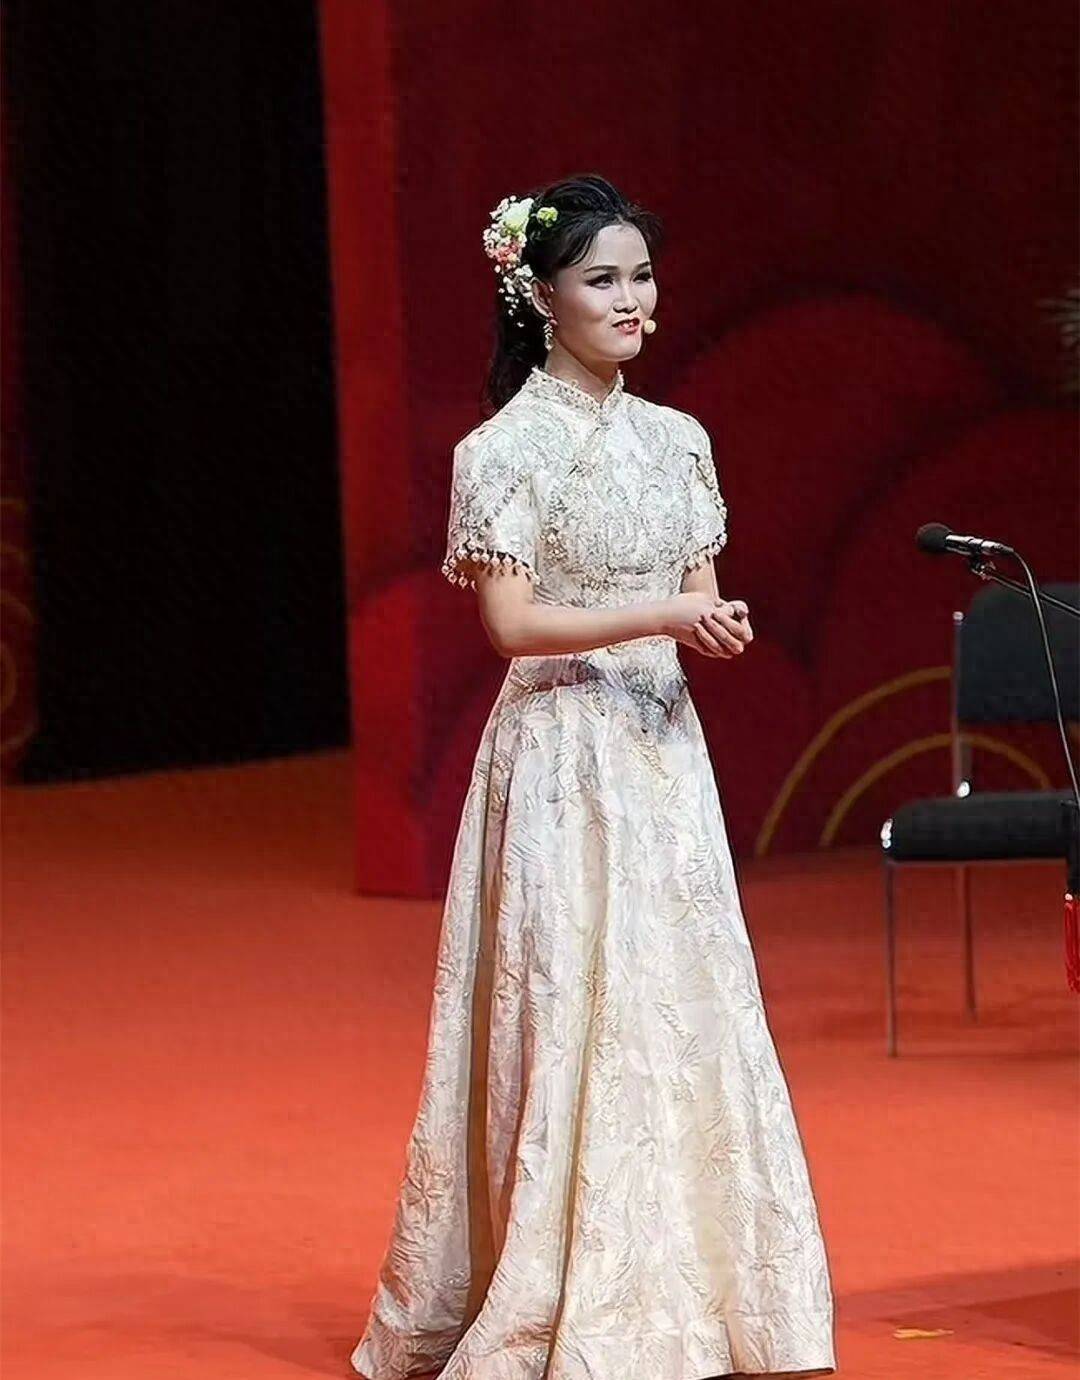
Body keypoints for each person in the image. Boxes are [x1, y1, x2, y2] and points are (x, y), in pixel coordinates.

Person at [351, 174, 837, 1380]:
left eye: (642, 276)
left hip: (662, 754)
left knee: (678, 1000)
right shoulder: (502, 451)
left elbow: (695, 590)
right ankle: (568, 1295)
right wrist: (663, 613)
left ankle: (700, 1294)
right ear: (540, 296)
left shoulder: (679, 440)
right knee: (573, 1007)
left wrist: (703, 622)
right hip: (561, 757)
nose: (633, 301)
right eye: (602, 279)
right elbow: (513, 626)